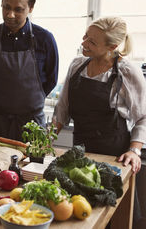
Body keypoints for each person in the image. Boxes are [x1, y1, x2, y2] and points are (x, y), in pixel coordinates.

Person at [53, 16, 146, 228]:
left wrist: (134, 150)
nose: (84, 42)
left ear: (112, 46)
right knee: (81, 216)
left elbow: (143, 116)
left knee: (114, 217)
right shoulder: (77, 65)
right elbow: (62, 111)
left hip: (114, 157)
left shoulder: (126, 72)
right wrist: (45, 140)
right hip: (81, 154)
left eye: (92, 42)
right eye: (86, 36)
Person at [0, 0, 59, 141]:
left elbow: (51, 79)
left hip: (33, 125)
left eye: (18, 10)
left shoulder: (45, 39)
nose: (10, 14)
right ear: (1, 3)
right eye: (6, 7)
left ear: (31, 8)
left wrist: (29, 102)